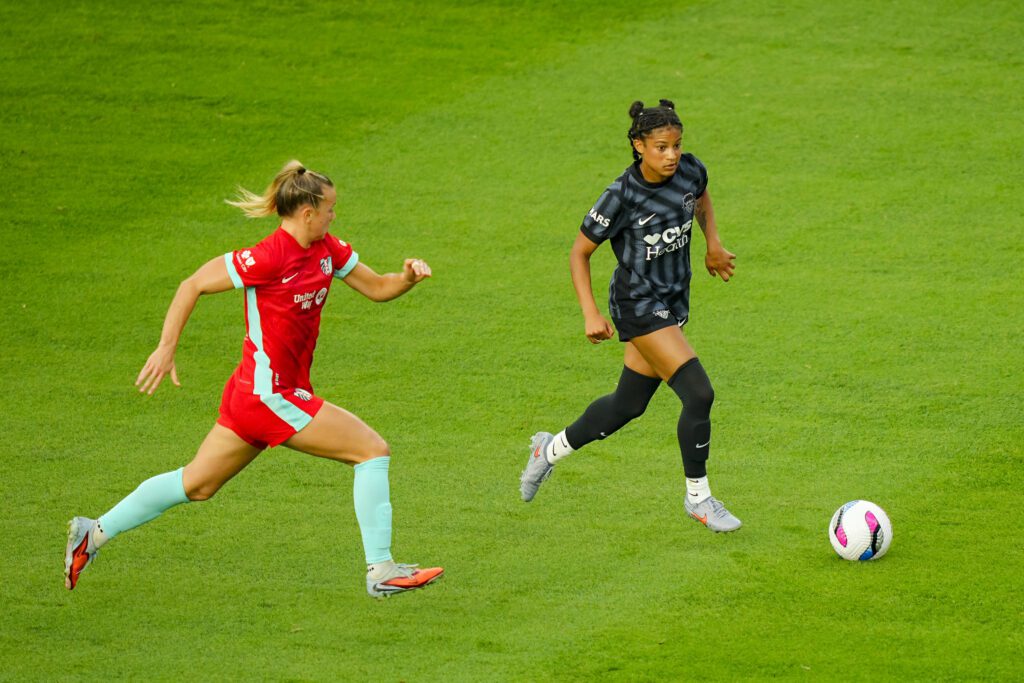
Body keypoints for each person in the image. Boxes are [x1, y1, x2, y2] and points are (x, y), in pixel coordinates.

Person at [64, 161, 444, 596]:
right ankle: (381, 569)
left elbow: (377, 287)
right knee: (372, 451)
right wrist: (167, 347)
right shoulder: (267, 257)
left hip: (256, 395)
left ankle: (92, 533)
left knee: (197, 484)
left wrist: (408, 278)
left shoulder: (327, 249)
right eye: (330, 209)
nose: (334, 216)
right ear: (307, 213)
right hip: (270, 395)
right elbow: (192, 284)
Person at [520, 100, 742, 532]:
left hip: (673, 301)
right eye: (661, 147)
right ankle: (699, 498)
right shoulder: (620, 196)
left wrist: (713, 243)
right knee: (699, 393)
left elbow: (700, 198)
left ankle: (548, 450)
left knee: (628, 405)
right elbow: (579, 253)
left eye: (677, 145)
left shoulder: (690, 170)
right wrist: (590, 313)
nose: (672, 155)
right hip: (637, 304)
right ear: (639, 145)